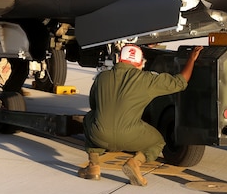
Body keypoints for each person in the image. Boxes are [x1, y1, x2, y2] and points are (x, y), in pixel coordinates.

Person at [78, 43, 203, 186]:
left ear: (119, 59)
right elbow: (180, 82)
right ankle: (135, 162)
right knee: (158, 142)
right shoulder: (146, 80)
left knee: (90, 117)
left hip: (100, 136)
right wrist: (191, 59)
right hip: (130, 138)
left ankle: (93, 167)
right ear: (140, 63)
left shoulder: (102, 77)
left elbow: (94, 106)